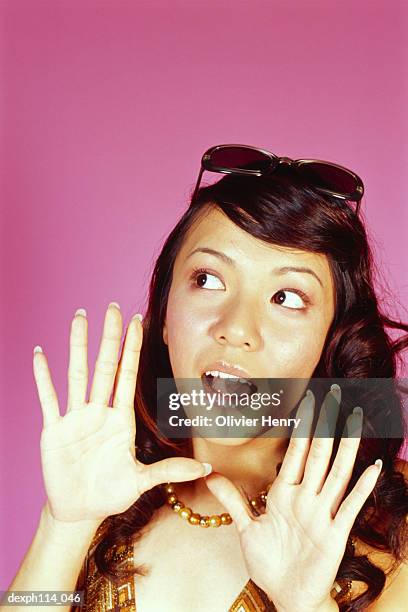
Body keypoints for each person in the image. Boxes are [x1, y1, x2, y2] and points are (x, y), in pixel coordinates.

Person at [7, 145, 408, 611]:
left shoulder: (393, 522)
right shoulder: (112, 489)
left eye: (287, 297)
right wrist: (64, 527)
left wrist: (308, 604)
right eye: (209, 280)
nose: (236, 328)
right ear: (164, 315)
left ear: (332, 340)